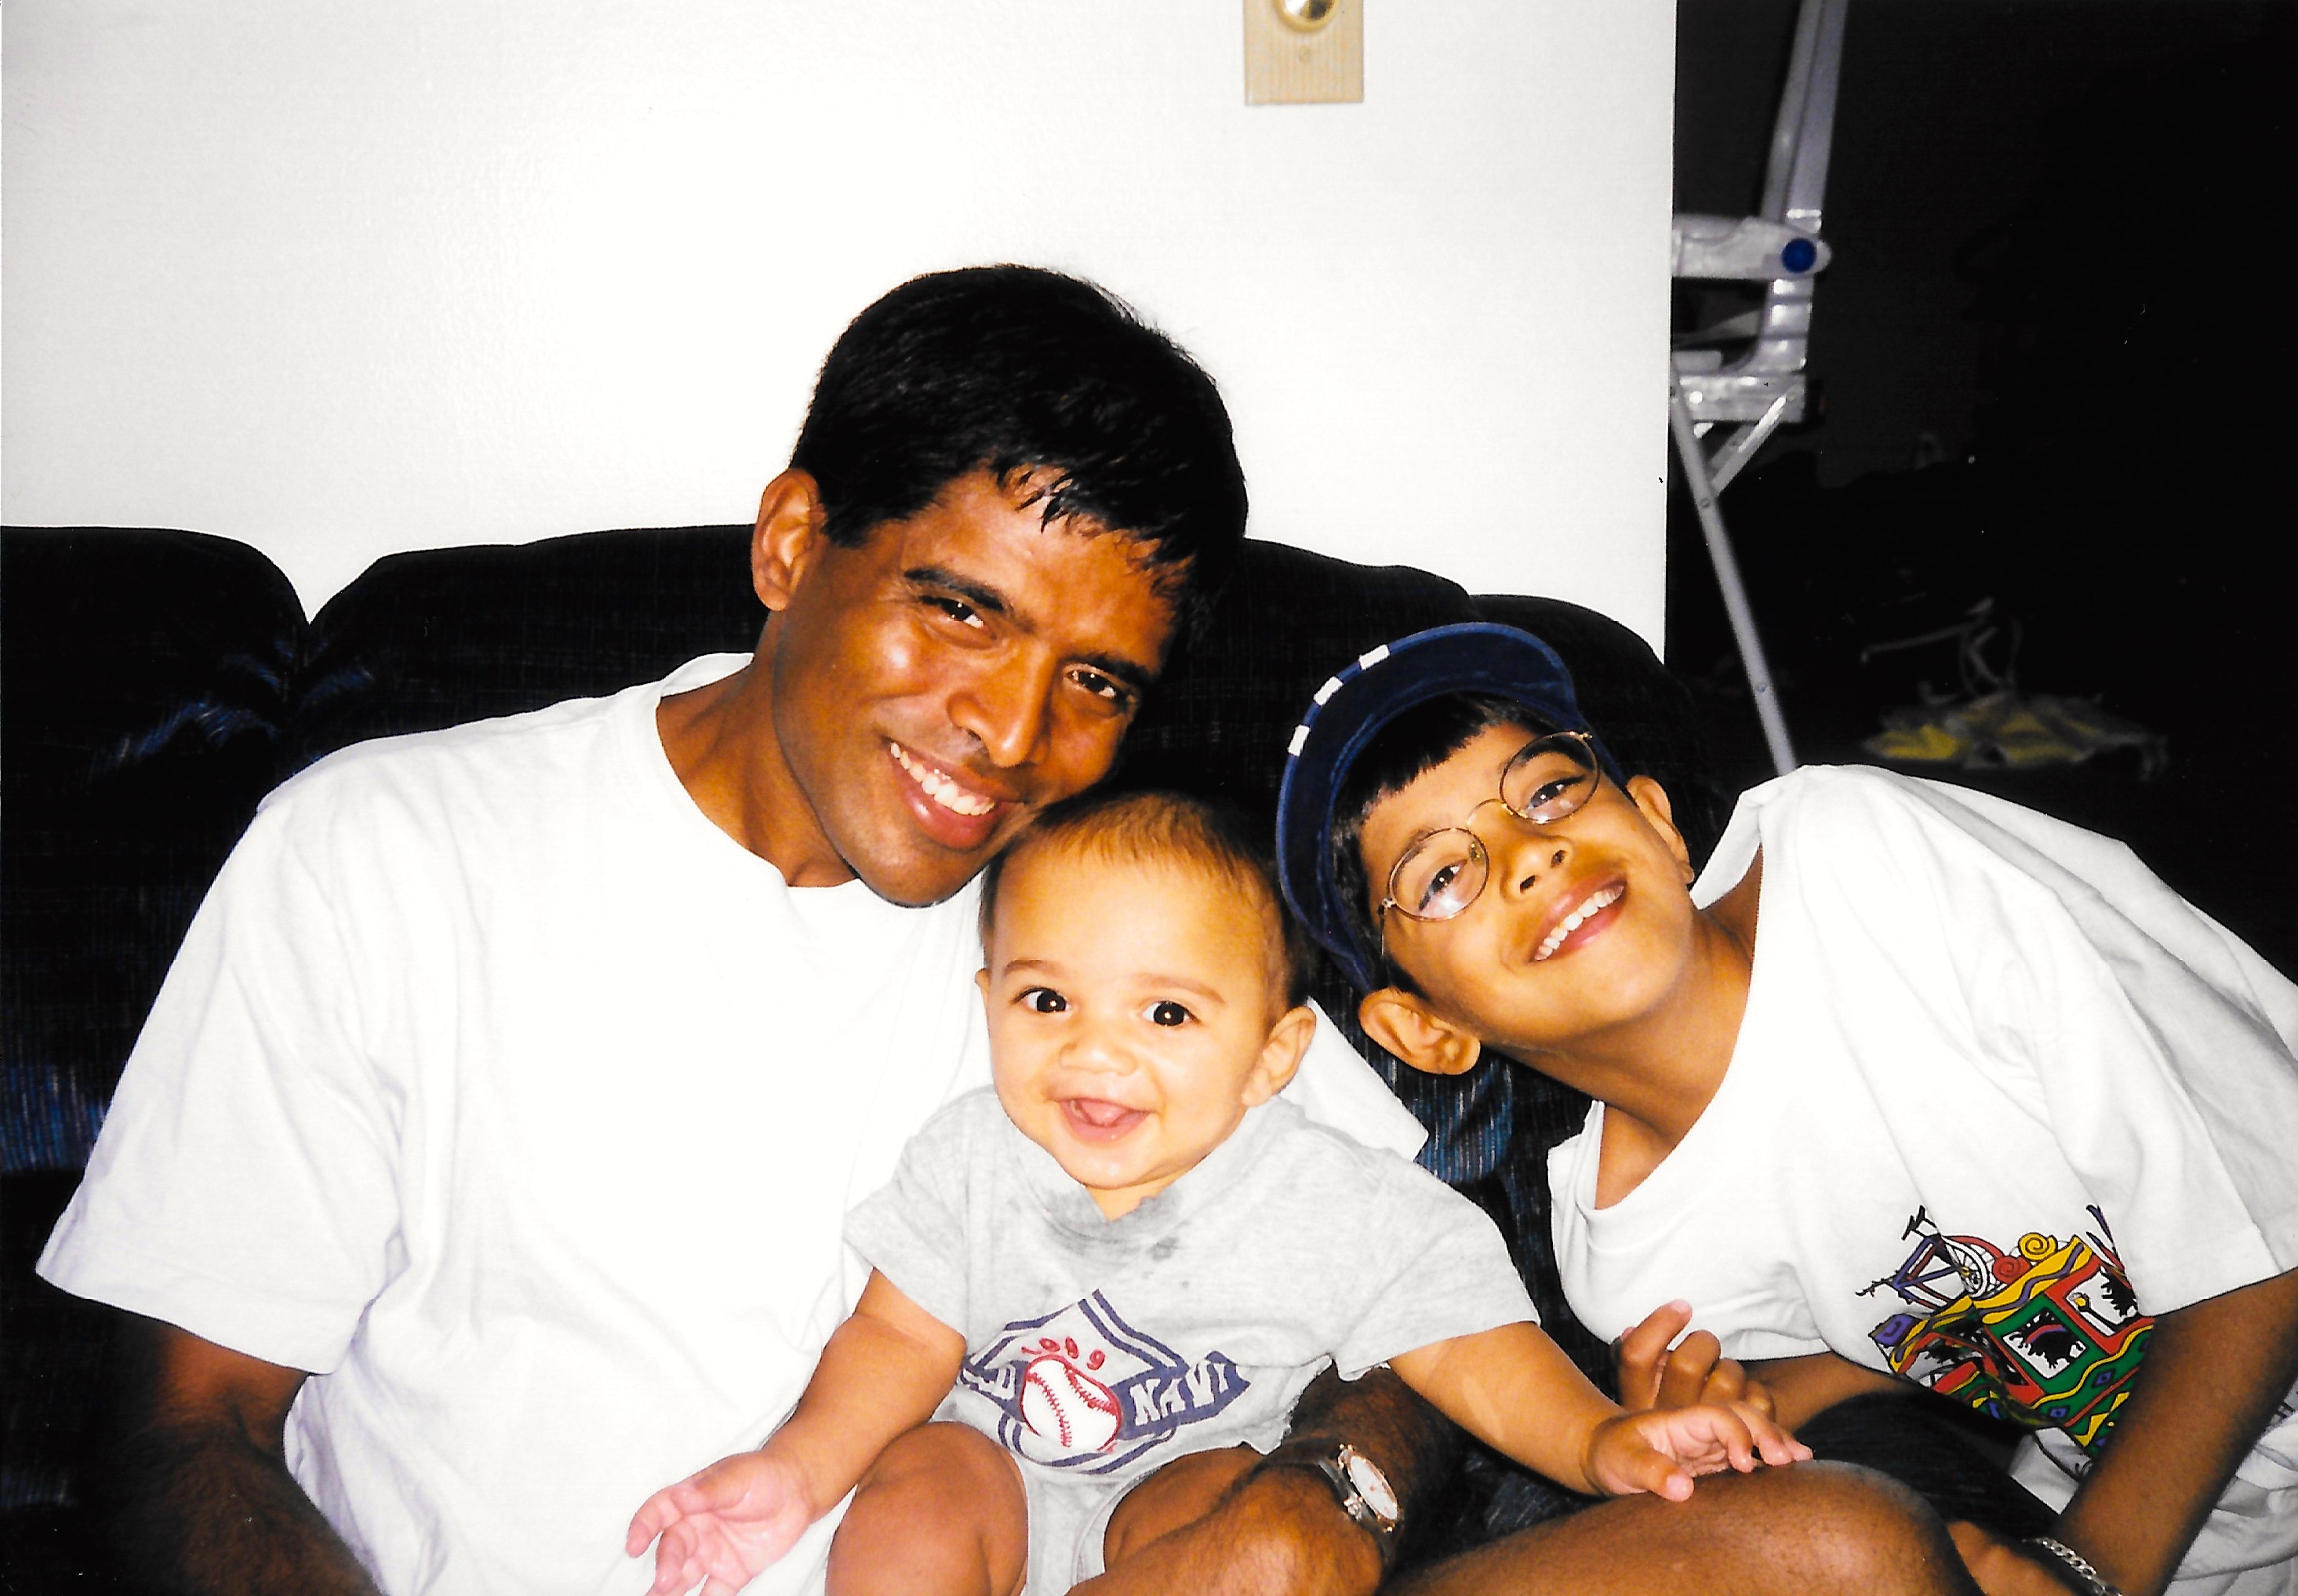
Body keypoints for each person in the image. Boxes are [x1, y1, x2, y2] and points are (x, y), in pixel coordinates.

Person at [37, 262, 1976, 1596]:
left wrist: (1331, 1495)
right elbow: (185, 1434)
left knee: (1844, 1550)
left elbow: (1400, 1285)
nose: (1012, 734)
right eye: (959, 611)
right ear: (792, 545)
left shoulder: (1114, 908)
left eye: (1097, 679)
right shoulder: (386, 852)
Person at [1275, 620, 2298, 1596]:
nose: (1527, 852)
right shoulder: (1627, 1261)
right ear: (1423, 1031)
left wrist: (2090, 1568)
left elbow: (2268, 1222)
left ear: (1659, 823)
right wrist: (1748, 1408)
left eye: (1546, 789)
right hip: (2209, 1538)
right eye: (1441, 875)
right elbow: (1912, 1330)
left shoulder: (1867, 865)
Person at [625, 791, 1807, 1596]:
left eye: (1166, 1013)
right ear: (987, 1000)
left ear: (1272, 1056)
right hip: (993, 1482)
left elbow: (1467, 1346)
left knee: (1218, 1499)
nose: (1096, 1052)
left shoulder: (1329, 1198)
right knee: (925, 1474)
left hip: (1177, 1507)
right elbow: (895, 1337)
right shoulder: (973, 1156)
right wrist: (792, 1475)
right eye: (1047, 1002)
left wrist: (1598, 1440)